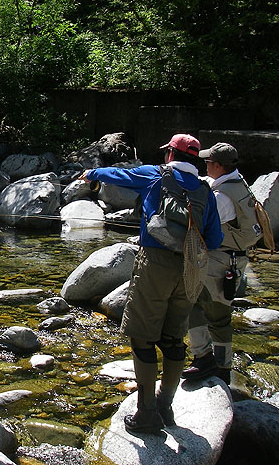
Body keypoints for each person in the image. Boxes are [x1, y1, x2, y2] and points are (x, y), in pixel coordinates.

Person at [79, 133, 223, 433]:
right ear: (195, 159)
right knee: (172, 338)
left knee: (142, 337)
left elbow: (120, 174)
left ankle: (145, 415)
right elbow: (215, 239)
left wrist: (92, 173)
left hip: (154, 263)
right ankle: (164, 407)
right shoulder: (204, 191)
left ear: (170, 154)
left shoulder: (155, 176)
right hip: (190, 267)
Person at [182, 142, 261, 384]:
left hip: (221, 260)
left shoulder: (223, 197)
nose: (204, 166)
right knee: (220, 314)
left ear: (218, 165)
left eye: (207, 163)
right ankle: (223, 368)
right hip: (234, 259)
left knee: (190, 301)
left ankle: (203, 358)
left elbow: (204, 223)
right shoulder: (238, 184)